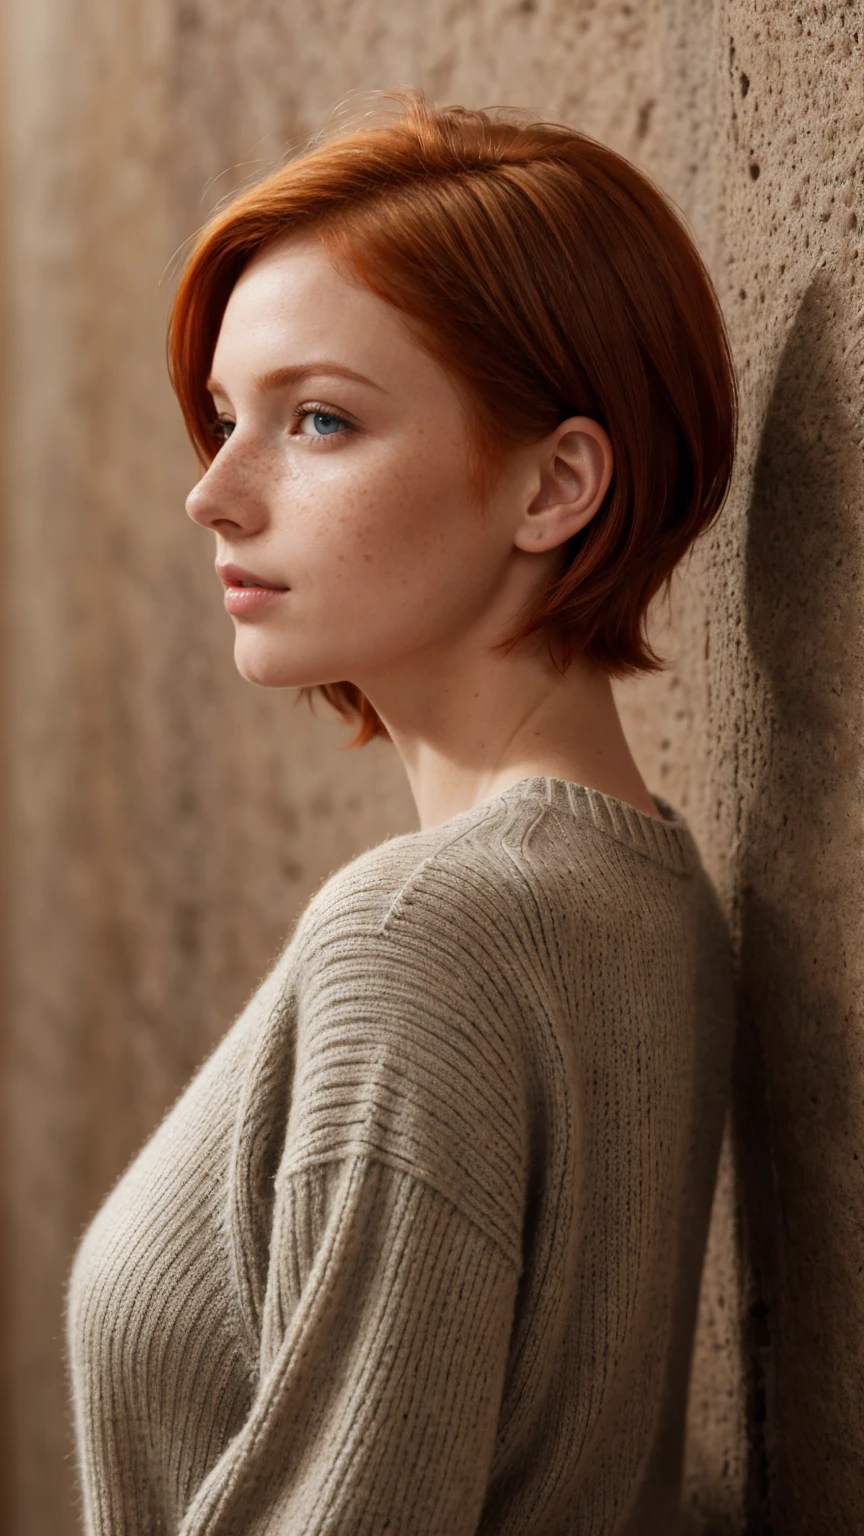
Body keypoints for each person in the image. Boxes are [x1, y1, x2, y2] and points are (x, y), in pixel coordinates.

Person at [65, 88, 738, 1535]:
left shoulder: (422, 937)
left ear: (556, 483)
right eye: (222, 419)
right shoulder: (647, 901)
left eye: (317, 420)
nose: (215, 497)